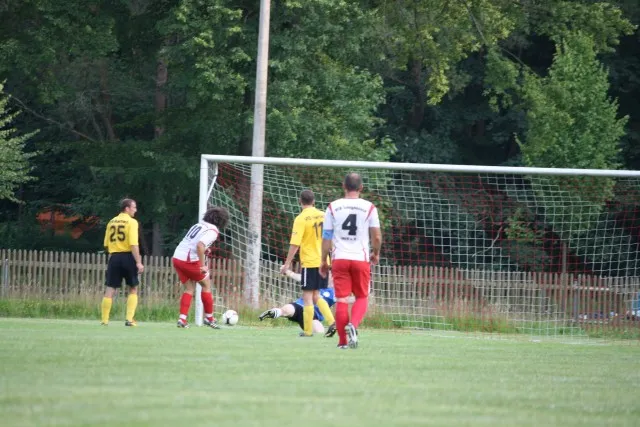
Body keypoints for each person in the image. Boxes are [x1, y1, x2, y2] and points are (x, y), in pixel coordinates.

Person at [320, 173, 382, 349]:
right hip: (360, 258)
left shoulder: (333, 207)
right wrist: (376, 253)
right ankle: (353, 325)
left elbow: (326, 237)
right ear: (361, 188)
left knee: (341, 300)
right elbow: (377, 237)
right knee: (362, 296)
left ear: (343, 186)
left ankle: (342, 342)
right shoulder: (369, 207)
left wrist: (323, 260)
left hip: (339, 258)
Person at [280, 189, 335, 337]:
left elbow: (295, 244)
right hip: (324, 262)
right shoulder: (324, 215)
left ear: (300, 201)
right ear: (314, 201)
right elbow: (331, 238)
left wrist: (287, 264)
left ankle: (308, 331)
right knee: (316, 295)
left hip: (310, 262)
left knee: (307, 297)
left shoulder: (301, 219)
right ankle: (332, 322)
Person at [172, 206, 229, 329]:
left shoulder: (199, 224)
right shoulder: (213, 230)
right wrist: (203, 265)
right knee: (206, 284)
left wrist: (204, 249)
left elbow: (193, 243)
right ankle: (209, 318)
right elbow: (199, 245)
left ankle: (182, 319)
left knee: (189, 288)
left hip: (177, 257)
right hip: (188, 260)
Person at [101, 198, 144, 326]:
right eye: (134, 207)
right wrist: (138, 262)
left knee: (110, 288)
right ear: (127, 208)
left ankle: (104, 320)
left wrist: (114, 253)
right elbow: (133, 244)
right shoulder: (132, 222)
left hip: (114, 257)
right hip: (128, 256)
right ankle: (129, 319)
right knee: (133, 287)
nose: (135, 210)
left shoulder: (111, 222)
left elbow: (106, 244)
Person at [259, 288, 338, 336]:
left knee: (320, 332)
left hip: (307, 312)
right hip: (306, 310)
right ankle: (277, 312)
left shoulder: (334, 291)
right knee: (319, 332)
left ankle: (277, 311)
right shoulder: (316, 282)